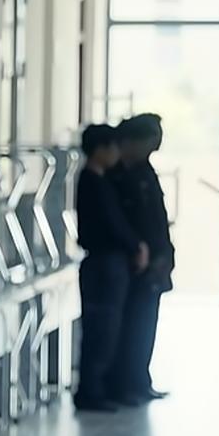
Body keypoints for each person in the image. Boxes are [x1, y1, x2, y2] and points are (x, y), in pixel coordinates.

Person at [73, 123, 145, 413]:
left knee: (108, 328)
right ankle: (91, 391)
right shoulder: (92, 182)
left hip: (111, 263)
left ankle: (99, 388)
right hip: (103, 264)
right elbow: (112, 224)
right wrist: (135, 245)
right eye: (112, 147)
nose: (116, 153)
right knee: (101, 328)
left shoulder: (102, 181)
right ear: (100, 150)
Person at [111, 113, 173, 404]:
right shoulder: (118, 175)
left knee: (146, 324)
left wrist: (165, 252)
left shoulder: (145, 170)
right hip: (132, 260)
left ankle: (140, 379)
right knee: (129, 325)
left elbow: (157, 217)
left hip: (154, 260)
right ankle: (125, 384)